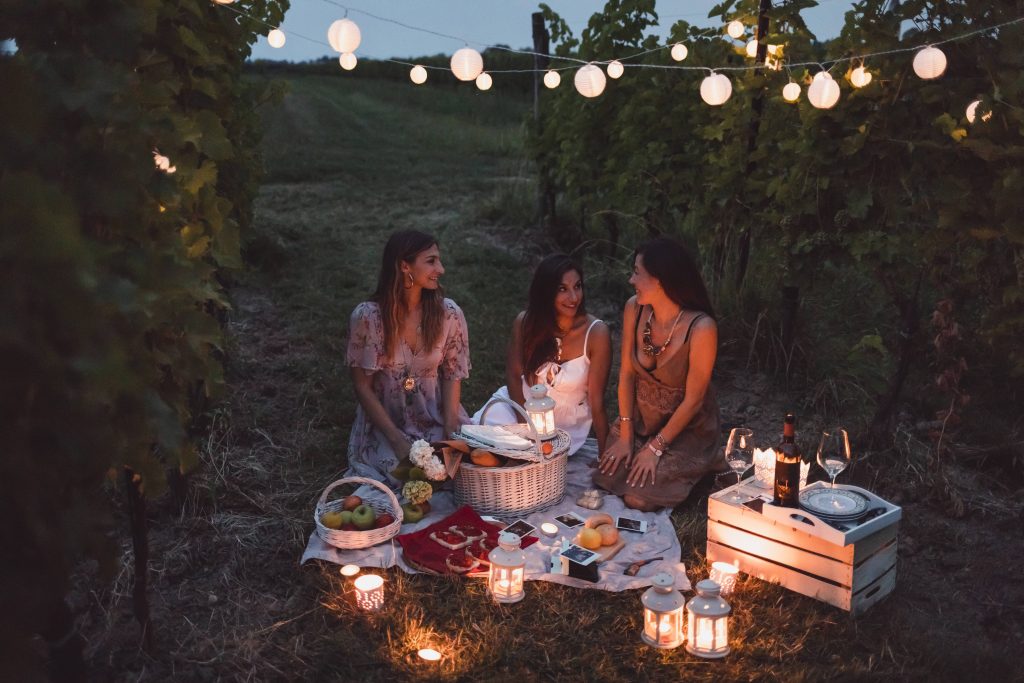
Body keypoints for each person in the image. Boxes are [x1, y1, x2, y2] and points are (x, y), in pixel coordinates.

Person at [592, 237, 725, 511]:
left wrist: (655, 449)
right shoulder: (635, 308)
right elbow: (627, 374)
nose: (631, 280)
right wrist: (626, 432)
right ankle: (645, 451)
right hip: (642, 418)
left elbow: (694, 401)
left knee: (637, 497)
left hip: (685, 428)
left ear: (660, 281)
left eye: (637, 273)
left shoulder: (701, 328)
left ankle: (706, 463)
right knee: (607, 476)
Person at [346, 230, 471, 485]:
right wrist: (397, 441)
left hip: (434, 414)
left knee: (462, 473)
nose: (441, 268)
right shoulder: (369, 318)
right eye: (431, 261)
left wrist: (450, 429)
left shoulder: (448, 314)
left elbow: (451, 374)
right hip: (388, 424)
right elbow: (362, 387)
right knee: (408, 478)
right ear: (405, 266)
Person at [472, 254, 611, 456]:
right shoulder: (526, 322)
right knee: (478, 444)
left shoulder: (596, 333)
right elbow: (513, 375)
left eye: (578, 286)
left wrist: (603, 453)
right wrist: (526, 427)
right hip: (519, 409)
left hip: (564, 426)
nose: (574, 298)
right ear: (546, 292)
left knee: (519, 462)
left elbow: (597, 401)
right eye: (562, 289)